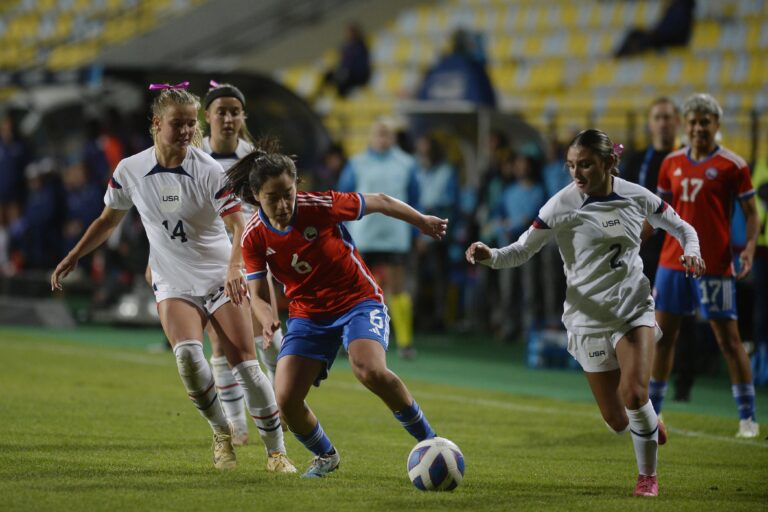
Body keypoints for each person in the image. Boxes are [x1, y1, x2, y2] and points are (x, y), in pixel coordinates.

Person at [50, 84, 295, 473]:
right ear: (156, 123)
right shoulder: (130, 170)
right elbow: (107, 220)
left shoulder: (209, 169)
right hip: (173, 280)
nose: (185, 132)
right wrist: (75, 254)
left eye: (189, 124)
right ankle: (222, 432)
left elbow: (239, 224)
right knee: (187, 358)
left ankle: (276, 452)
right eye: (177, 124)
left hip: (218, 275)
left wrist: (235, 268)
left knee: (246, 366)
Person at [466, 129, 704, 497]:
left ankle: (647, 477)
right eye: (572, 166)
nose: (577, 174)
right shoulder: (560, 205)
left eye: (586, 165)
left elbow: (682, 227)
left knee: (636, 394)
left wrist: (692, 249)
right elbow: (521, 250)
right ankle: (649, 424)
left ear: (609, 163)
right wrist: (490, 255)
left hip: (633, 307)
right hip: (587, 319)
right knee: (615, 418)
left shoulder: (636, 196)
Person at [225, 139, 447, 478]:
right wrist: (268, 319)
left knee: (369, 369)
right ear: (257, 196)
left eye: (288, 193)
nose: (283, 203)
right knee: (285, 400)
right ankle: (326, 455)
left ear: (297, 186)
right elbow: (258, 293)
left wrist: (421, 222)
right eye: (273, 197)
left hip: (357, 301)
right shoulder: (254, 236)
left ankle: (430, 442)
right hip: (308, 315)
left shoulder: (320, 205)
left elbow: (382, 201)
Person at [650, 93, 760, 438]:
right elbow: (658, 213)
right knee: (662, 336)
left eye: (705, 122)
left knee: (729, 340)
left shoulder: (733, 165)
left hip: (714, 264)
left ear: (716, 125)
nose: (698, 128)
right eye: (693, 122)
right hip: (671, 262)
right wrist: (634, 239)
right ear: (686, 125)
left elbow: (752, 213)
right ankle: (652, 413)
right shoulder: (671, 163)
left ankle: (748, 417)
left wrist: (750, 247)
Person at [199, 80, 287, 446]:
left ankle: (282, 400)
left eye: (235, 111)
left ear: (243, 116)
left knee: (264, 336)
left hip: (250, 255)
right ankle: (237, 425)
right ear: (208, 116)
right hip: (204, 259)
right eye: (221, 111)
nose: (228, 118)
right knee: (220, 343)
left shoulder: (255, 159)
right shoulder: (192, 156)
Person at [622, 98, 697, 402]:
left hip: (678, 245)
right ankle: (639, 378)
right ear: (651, 123)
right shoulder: (639, 159)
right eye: (658, 117)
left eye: (668, 117)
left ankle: (683, 382)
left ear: (677, 122)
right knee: (640, 312)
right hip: (646, 246)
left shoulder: (689, 159)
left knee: (682, 316)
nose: (663, 123)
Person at [337, 118, 420, 359]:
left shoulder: (407, 164)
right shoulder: (357, 163)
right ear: (371, 137)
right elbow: (343, 198)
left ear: (393, 137)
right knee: (356, 288)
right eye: (379, 134)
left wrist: (417, 231)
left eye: (387, 134)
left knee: (397, 288)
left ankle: (405, 342)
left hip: (396, 235)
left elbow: (414, 200)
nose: (382, 138)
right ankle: (349, 337)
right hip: (363, 234)